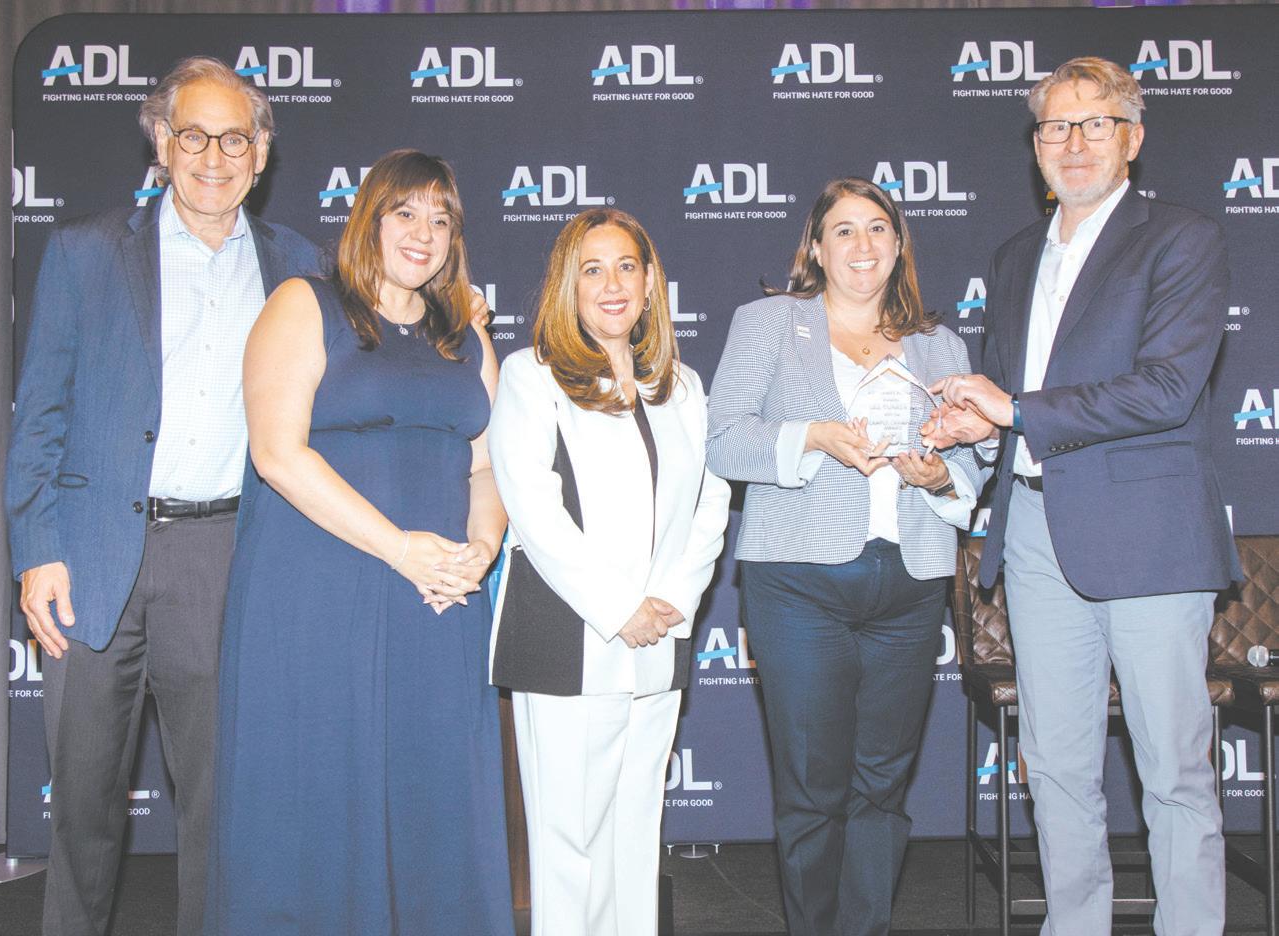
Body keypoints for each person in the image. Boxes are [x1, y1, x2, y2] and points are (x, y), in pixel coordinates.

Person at [3, 57, 319, 936]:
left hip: (225, 557)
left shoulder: (300, 267)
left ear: (261, 153)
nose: (213, 157)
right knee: (82, 807)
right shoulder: (83, 251)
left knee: (220, 809)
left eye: (234, 139)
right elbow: (40, 414)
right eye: (193, 136)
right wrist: (37, 551)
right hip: (89, 557)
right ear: (161, 142)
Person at [926, 57, 1236, 936]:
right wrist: (980, 424)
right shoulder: (1014, 256)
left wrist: (1016, 408)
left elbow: (1167, 389)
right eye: (1055, 126)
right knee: (1056, 768)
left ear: (1132, 139)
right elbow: (1018, 403)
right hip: (1033, 531)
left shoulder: (1181, 238)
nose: (1073, 142)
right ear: (1036, 148)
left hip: (1148, 537)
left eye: (1095, 123)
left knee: (1173, 773)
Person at [204, 150, 512, 935]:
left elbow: (487, 467)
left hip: (439, 599)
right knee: (311, 790)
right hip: (316, 594)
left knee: (435, 790)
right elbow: (277, 454)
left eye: (441, 220)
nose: (424, 233)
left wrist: (479, 552)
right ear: (368, 217)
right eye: (405, 212)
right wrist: (400, 548)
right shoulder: (303, 304)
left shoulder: (468, 339)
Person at [706, 177, 982, 936]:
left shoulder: (941, 346)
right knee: (811, 788)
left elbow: (973, 462)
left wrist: (940, 477)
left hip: (912, 584)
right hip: (799, 583)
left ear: (899, 245)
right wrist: (814, 437)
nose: (863, 244)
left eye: (878, 228)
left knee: (882, 787)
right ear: (818, 249)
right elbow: (721, 440)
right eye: (845, 230)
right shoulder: (769, 323)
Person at [487, 207, 729, 936]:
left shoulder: (681, 385)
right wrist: (620, 608)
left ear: (650, 282)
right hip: (567, 639)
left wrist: (672, 599)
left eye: (626, 266)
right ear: (569, 285)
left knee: (633, 835)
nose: (612, 284)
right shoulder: (533, 377)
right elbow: (534, 509)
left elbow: (711, 498)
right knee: (571, 845)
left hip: (658, 640)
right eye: (592, 269)